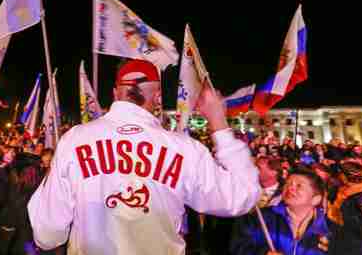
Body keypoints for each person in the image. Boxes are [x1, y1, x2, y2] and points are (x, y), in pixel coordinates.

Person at [28, 59, 261, 255]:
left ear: (115, 94)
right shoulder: (183, 149)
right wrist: (218, 123)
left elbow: (47, 234)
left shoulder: (74, 140)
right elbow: (242, 195)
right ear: (158, 97)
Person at [230, 167, 362, 255]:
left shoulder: (331, 231)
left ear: (315, 199)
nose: (291, 188)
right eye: (288, 184)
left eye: (299, 186)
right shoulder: (260, 219)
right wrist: (262, 253)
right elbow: (237, 247)